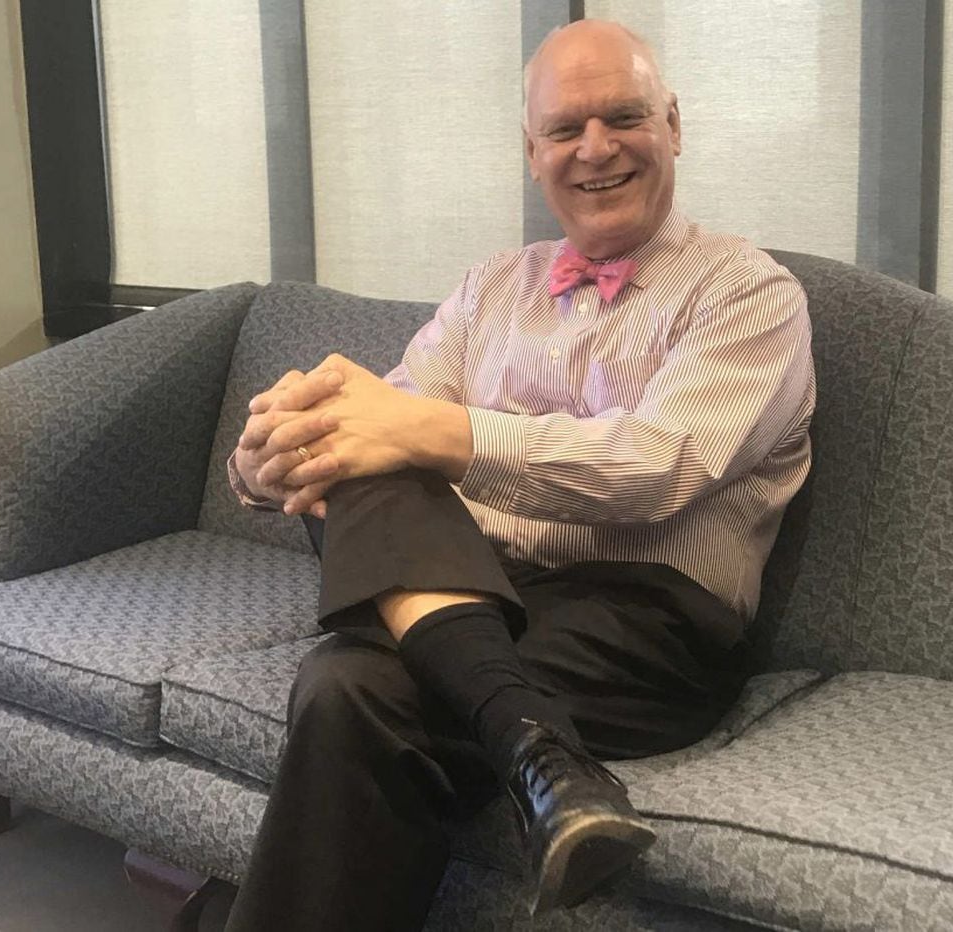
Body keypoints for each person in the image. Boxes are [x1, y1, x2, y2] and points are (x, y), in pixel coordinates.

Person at [222, 19, 814, 932]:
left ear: (674, 125)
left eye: (624, 117)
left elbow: (655, 468)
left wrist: (429, 431)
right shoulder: (489, 288)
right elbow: (379, 431)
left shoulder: (748, 292)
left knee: (348, 684)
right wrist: (265, 461)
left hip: (645, 627)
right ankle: (541, 756)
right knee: (362, 458)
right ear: (532, 152)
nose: (596, 149)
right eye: (565, 129)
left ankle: (518, 731)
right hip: (480, 592)